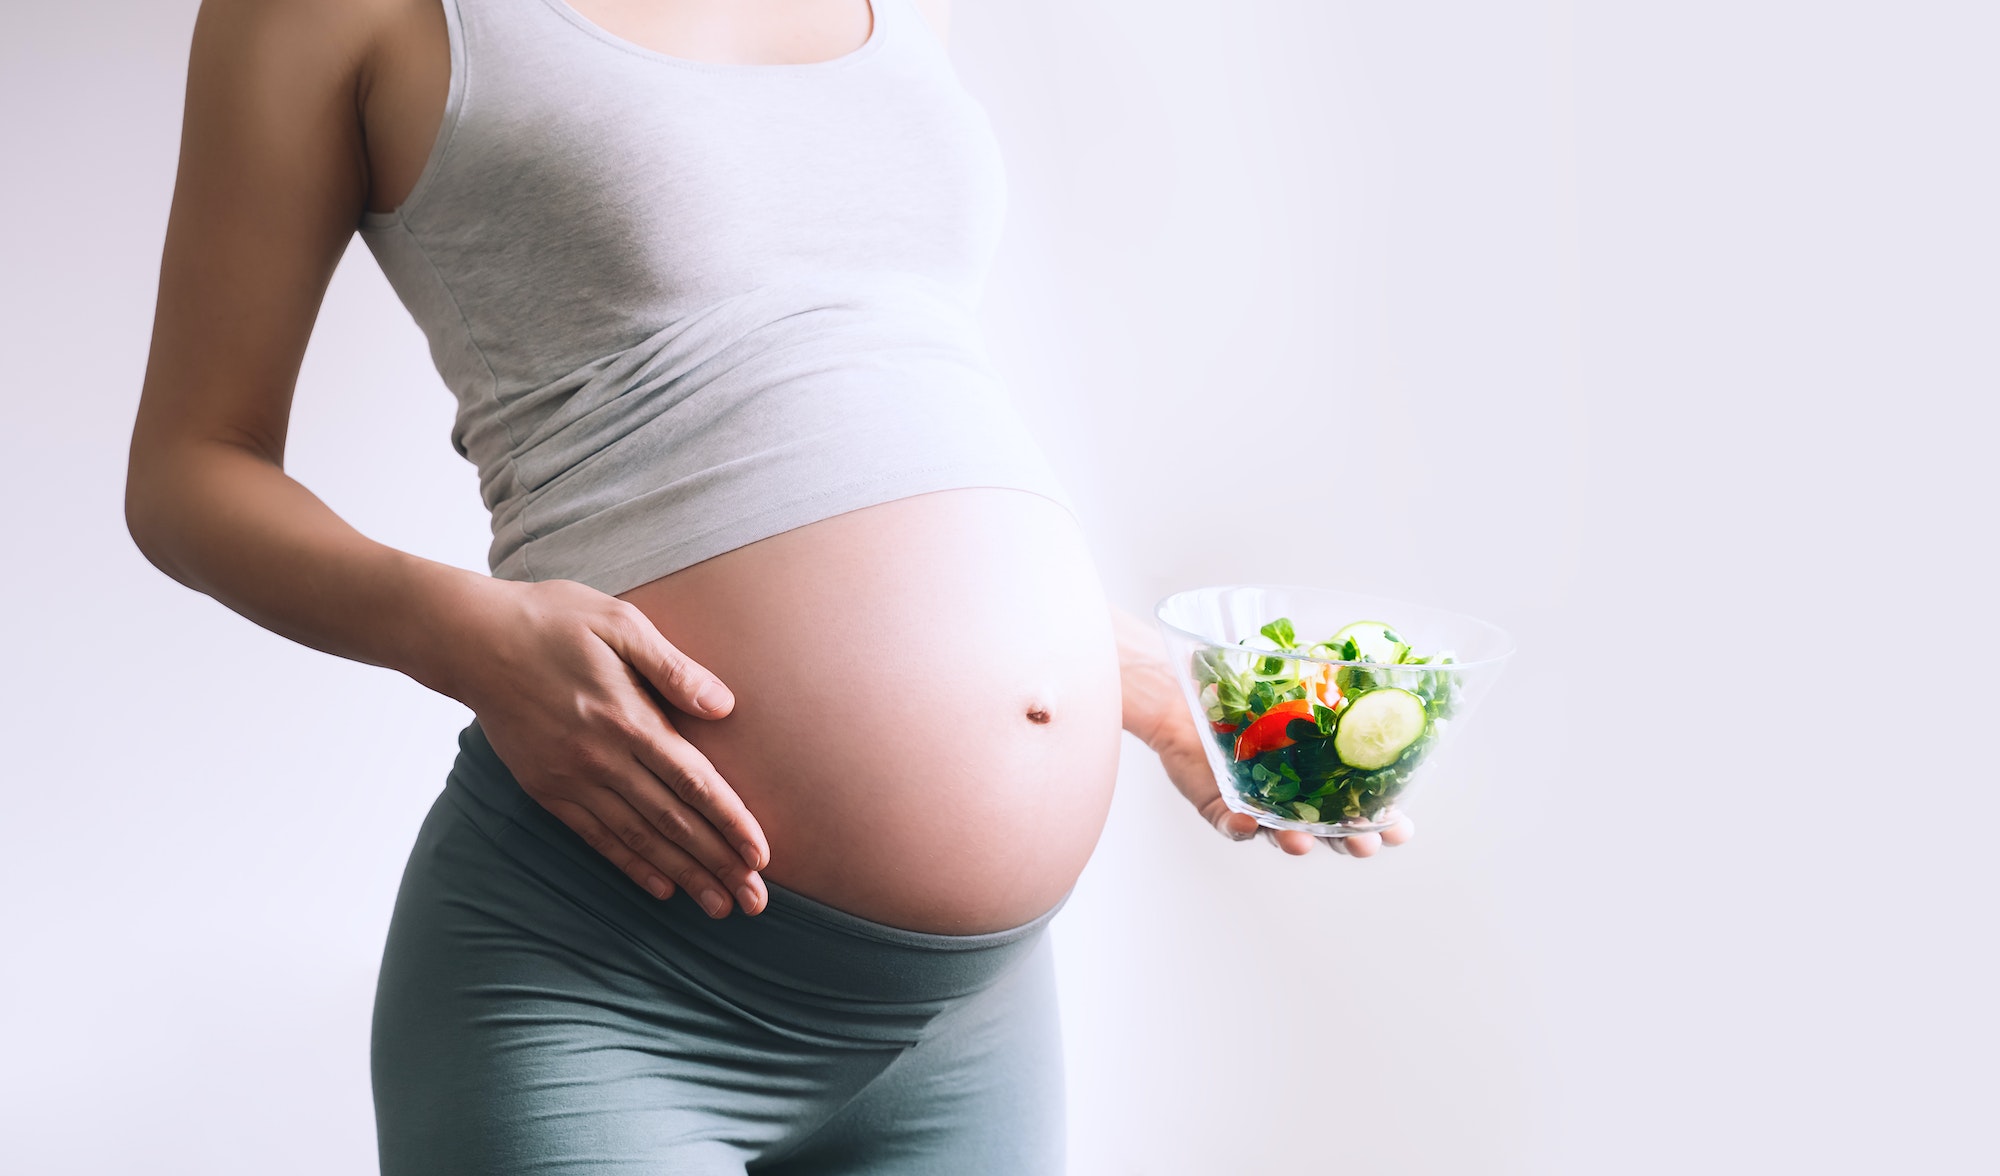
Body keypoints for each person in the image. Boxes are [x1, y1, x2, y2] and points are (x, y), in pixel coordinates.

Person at [125, 0, 1413, 1170]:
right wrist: (467, 637)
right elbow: (192, 470)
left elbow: (853, 380)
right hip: (605, 975)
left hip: (970, 1016)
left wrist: (1120, 667)